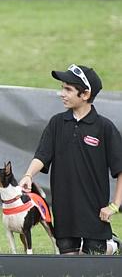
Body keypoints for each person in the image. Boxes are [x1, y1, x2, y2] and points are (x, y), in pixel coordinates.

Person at [20, 64, 122, 255]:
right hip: (64, 208)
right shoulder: (57, 123)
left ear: (85, 94)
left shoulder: (104, 128)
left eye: (68, 89)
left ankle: (113, 246)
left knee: (93, 257)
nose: (62, 94)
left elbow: (120, 170)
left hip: (94, 211)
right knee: (68, 259)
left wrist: (114, 206)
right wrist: (28, 175)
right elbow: (42, 155)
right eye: (62, 88)